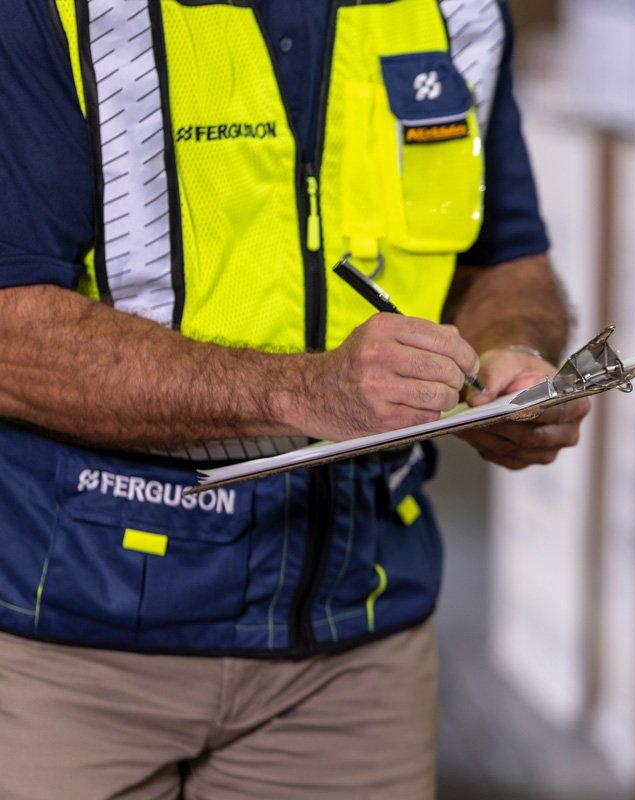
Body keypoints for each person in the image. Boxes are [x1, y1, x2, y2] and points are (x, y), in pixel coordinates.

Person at [0, 1, 589, 797]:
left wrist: (512, 356)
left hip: (355, 650)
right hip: (69, 644)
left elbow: (507, 257)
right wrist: (302, 391)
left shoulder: (454, 10)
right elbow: (11, 330)